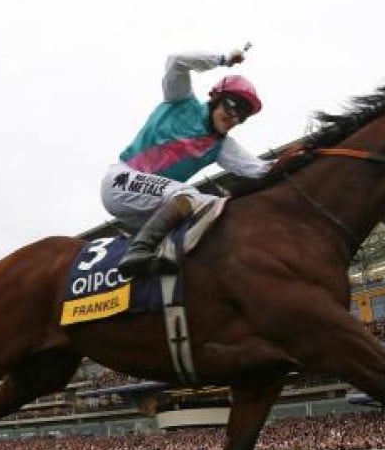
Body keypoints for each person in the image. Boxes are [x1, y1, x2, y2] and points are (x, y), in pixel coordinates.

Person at [101, 48, 272, 278]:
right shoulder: (180, 101)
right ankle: (138, 251)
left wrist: (309, 154)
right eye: (233, 105)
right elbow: (176, 61)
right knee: (189, 196)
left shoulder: (222, 146)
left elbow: (262, 170)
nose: (235, 117)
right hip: (120, 181)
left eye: (242, 115)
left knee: (216, 205)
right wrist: (222, 60)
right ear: (215, 98)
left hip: (151, 205)